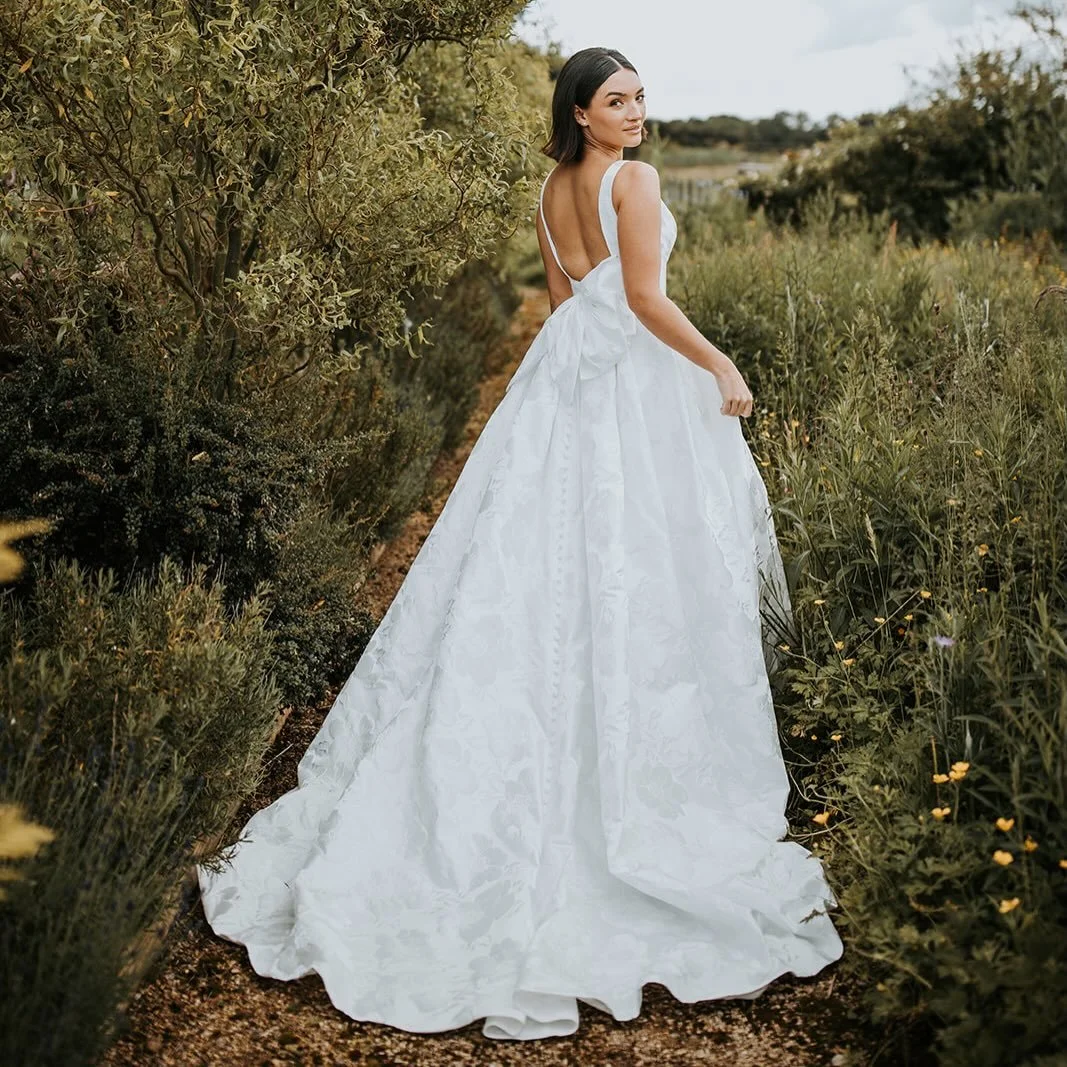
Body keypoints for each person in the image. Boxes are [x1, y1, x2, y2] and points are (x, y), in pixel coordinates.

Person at [198, 45, 844, 1042]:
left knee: (538, 565)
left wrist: (575, 389)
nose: (636, 111)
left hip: (566, 385)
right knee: (637, 568)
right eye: (616, 100)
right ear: (580, 113)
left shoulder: (550, 187)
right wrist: (717, 363)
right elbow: (640, 300)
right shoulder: (634, 179)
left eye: (639, 96)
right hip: (627, 382)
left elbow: (559, 309)